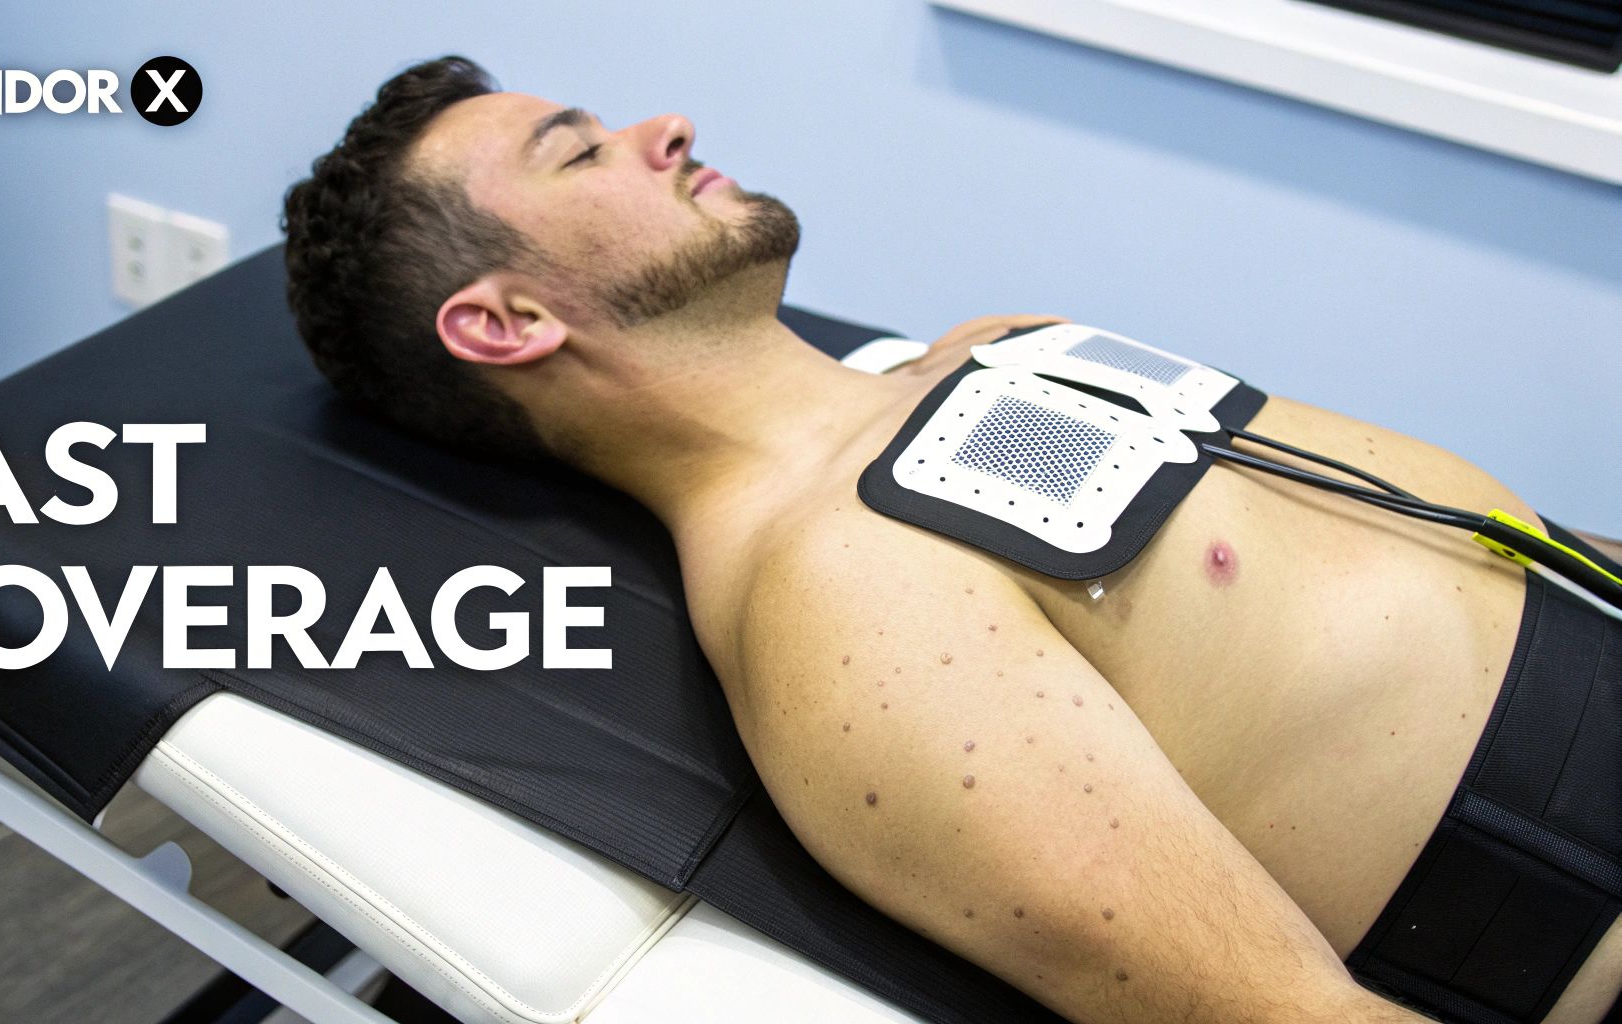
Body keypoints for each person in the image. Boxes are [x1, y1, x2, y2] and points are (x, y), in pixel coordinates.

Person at [280, 56, 1621, 1024]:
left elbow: (1465, 528)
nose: (665, 124)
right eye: (580, 151)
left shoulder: (1000, 346)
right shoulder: (843, 601)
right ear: (508, 325)